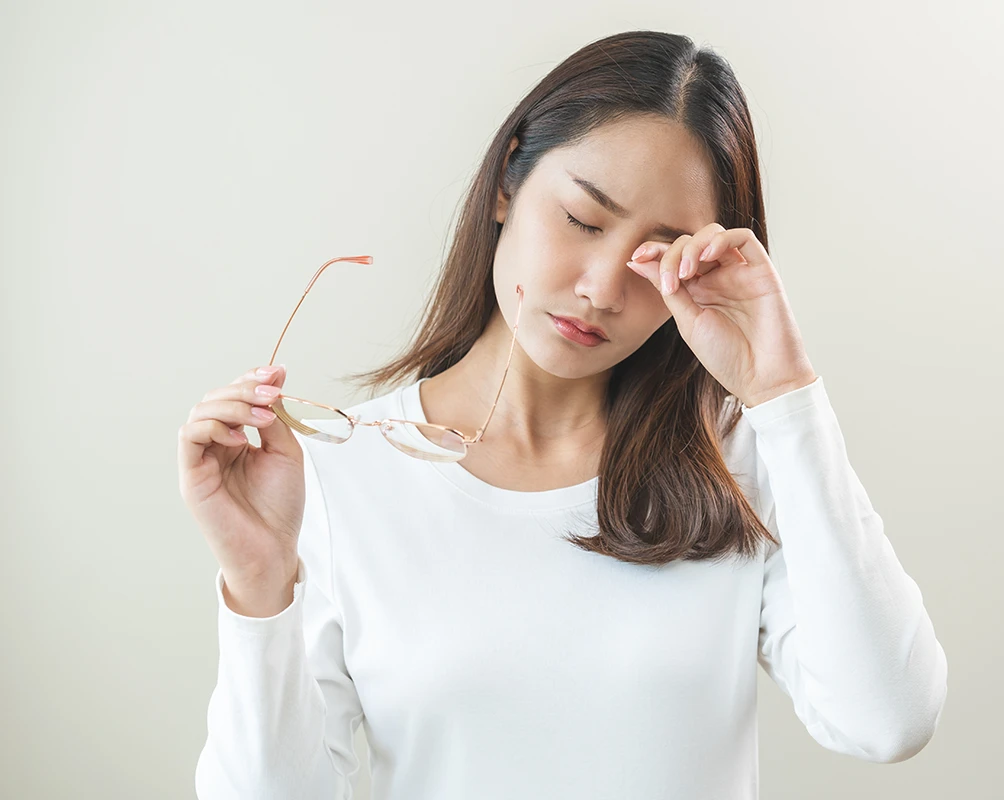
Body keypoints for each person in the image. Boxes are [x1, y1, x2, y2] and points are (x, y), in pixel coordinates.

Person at [177, 29, 948, 800]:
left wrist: (784, 391)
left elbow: (888, 719)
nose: (603, 288)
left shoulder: (737, 461)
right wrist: (259, 585)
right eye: (583, 220)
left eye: (658, 255)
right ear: (508, 180)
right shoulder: (334, 478)